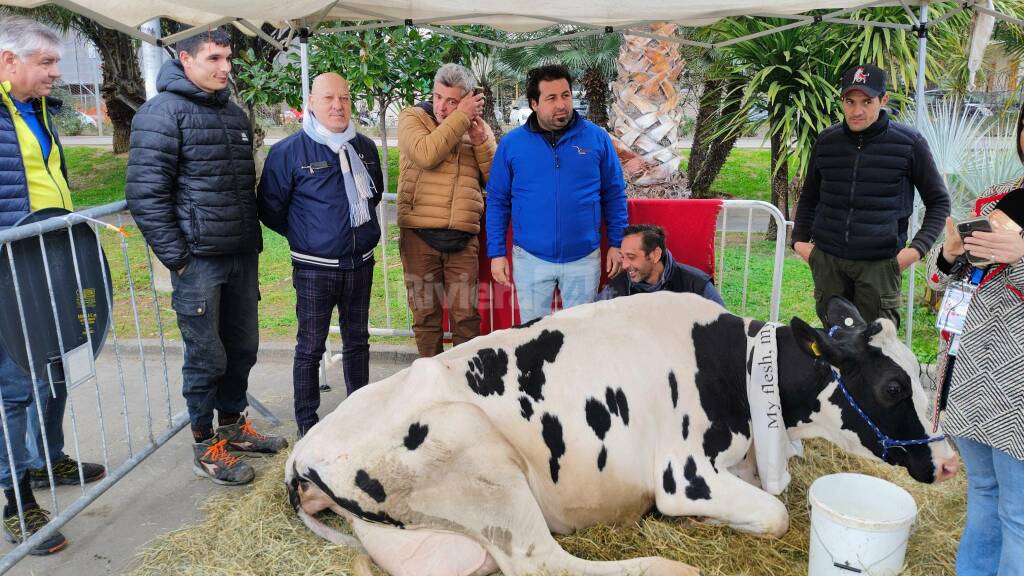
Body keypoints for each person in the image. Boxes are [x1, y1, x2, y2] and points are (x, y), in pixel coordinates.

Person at [126, 28, 286, 487]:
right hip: (198, 263)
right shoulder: (161, 114)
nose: (225, 68)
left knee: (242, 348)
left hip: (239, 254)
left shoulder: (232, 113)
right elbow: (145, 195)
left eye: (228, 58)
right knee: (206, 356)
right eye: (214, 58)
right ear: (185, 58)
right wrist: (180, 258)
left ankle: (233, 426)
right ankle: (204, 443)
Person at [0, 16, 105, 554]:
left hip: (46, 263)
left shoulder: (35, 109)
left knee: (57, 366)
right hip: (7, 273)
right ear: (7, 61)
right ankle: (15, 498)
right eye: (46, 62)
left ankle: (47, 458)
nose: (57, 73)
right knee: (13, 389)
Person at [925, 101, 1024, 576]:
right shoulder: (997, 198)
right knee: (983, 493)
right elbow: (941, 281)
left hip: (1018, 386)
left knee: (1018, 514)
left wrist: (1022, 254)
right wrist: (947, 254)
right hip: (972, 376)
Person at [259, 73, 383, 436]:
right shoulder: (288, 153)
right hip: (315, 268)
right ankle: (307, 424)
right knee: (311, 346)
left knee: (357, 341)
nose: (337, 105)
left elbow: (371, 199)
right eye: (328, 98)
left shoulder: (365, 148)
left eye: (344, 98)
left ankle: (360, 415)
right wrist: (308, 235)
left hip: (360, 265)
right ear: (310, 103)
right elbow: (270, 208)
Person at [791, 63, 950, 328]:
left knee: (876, 349)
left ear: (883, 100)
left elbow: (939, 201)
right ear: (842, 100)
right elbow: (810, 197)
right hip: (829, 262)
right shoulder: (827, 141)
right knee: (834, 341)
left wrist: (915, 251)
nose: (857, 111)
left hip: (879, 266)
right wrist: (798, 242)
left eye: (867, 101)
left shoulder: (909, 143)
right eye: (850, 101)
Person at [486, 64, 627, 323]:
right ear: (534, 103)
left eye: (566, 95)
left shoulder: (596, 139)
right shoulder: (511, 144)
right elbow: (497, 201)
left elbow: (615, 194)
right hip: (530, 258)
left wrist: (617, 243)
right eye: (551, 98)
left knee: (581, 336)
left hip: (584, 258)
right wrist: (496, 253)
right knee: (533, 337)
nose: (561, 104)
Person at [397, 63, 495, 357]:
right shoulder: (412, 117)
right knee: (426, 317)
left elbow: (496, 180)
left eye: (452, 101)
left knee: (466, 318)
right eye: (438, 97)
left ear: (465, 99)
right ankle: (430, 384)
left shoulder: (478, 127)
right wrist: (461, 117)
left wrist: (480, 144)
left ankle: (464, 386)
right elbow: (427, 154)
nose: (441, 106)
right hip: (418, 235)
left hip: (462, 240)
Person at [598, 224, 724, 305]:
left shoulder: (697, 285)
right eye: (623, 257)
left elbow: (725, 327)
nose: (624, 265)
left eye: (631, 257)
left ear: (655, 255)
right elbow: (594, 321)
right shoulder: (617, 288)